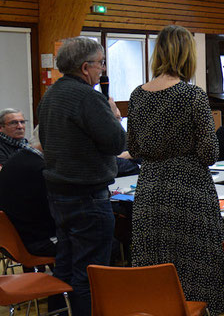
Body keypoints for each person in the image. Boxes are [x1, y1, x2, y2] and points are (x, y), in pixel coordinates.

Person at [126, 25, 224, 314]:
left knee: (155, 267)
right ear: (187, 55)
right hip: (189, 189)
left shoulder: (137, 95)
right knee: (195, 270)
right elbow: (210, 153)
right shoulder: (192, 95)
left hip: (149, 189)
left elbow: (133, 149)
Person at [37, 36, 126, 315]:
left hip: (59, 194)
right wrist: (114, 115)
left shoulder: (50, 94)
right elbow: (116, 143)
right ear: (85, 68)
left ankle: (59, 313)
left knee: (65, 264)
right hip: (87, 197)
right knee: (90, 271)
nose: (103, 70)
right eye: (100, 64)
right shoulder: (89, 98)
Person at [0, 129, 56, 257]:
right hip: (36, 242)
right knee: (100, 240)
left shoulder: (17, 158)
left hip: (13, 239)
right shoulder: (40, 168)